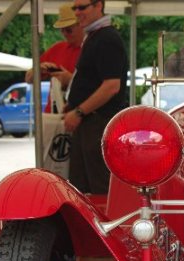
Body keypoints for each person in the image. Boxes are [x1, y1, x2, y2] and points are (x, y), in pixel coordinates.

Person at [63, 0, 127, 194]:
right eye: (75, 8)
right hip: (91, 122)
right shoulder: (95, 36)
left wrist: (79, 111)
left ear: (99, 5)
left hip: (97, 122)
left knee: (99, 187)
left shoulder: (106, 38)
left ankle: (104, 224)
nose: (77, 12)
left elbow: (111, 86)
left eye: (82, 7)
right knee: (82, 186)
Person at [25, 4, 83, 113]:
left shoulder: (92, 49)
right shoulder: (58, 48)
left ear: (81, 25)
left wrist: (70, 80)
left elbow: (104, 88)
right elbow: (28, 78)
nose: (65, 33)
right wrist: (39, 69)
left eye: (68, 30)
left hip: (80, 116)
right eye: (62, 30)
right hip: (54, 112)